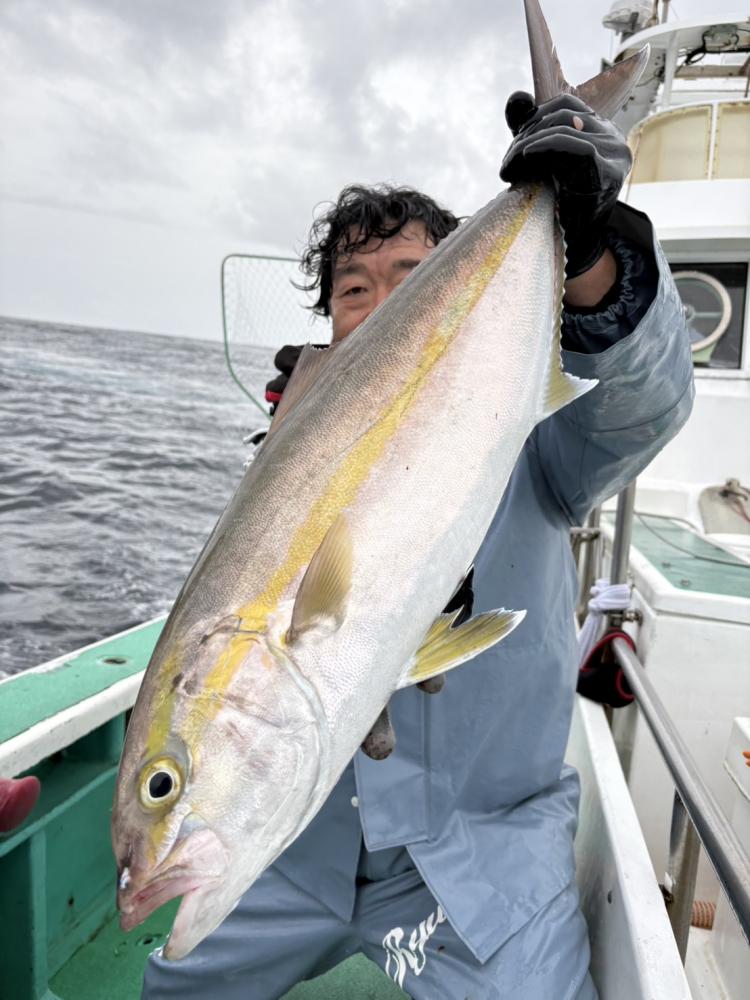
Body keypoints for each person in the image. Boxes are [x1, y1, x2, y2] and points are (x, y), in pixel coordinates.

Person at [143, 90, 693, 999]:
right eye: (354, 290)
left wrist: (594, 251)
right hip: (290, 848)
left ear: (461, 297)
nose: (384, 304)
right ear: (327, 324)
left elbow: (645, 406)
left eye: (416, 276)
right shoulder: (277, 470)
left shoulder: (533, 441)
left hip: (476, 853)